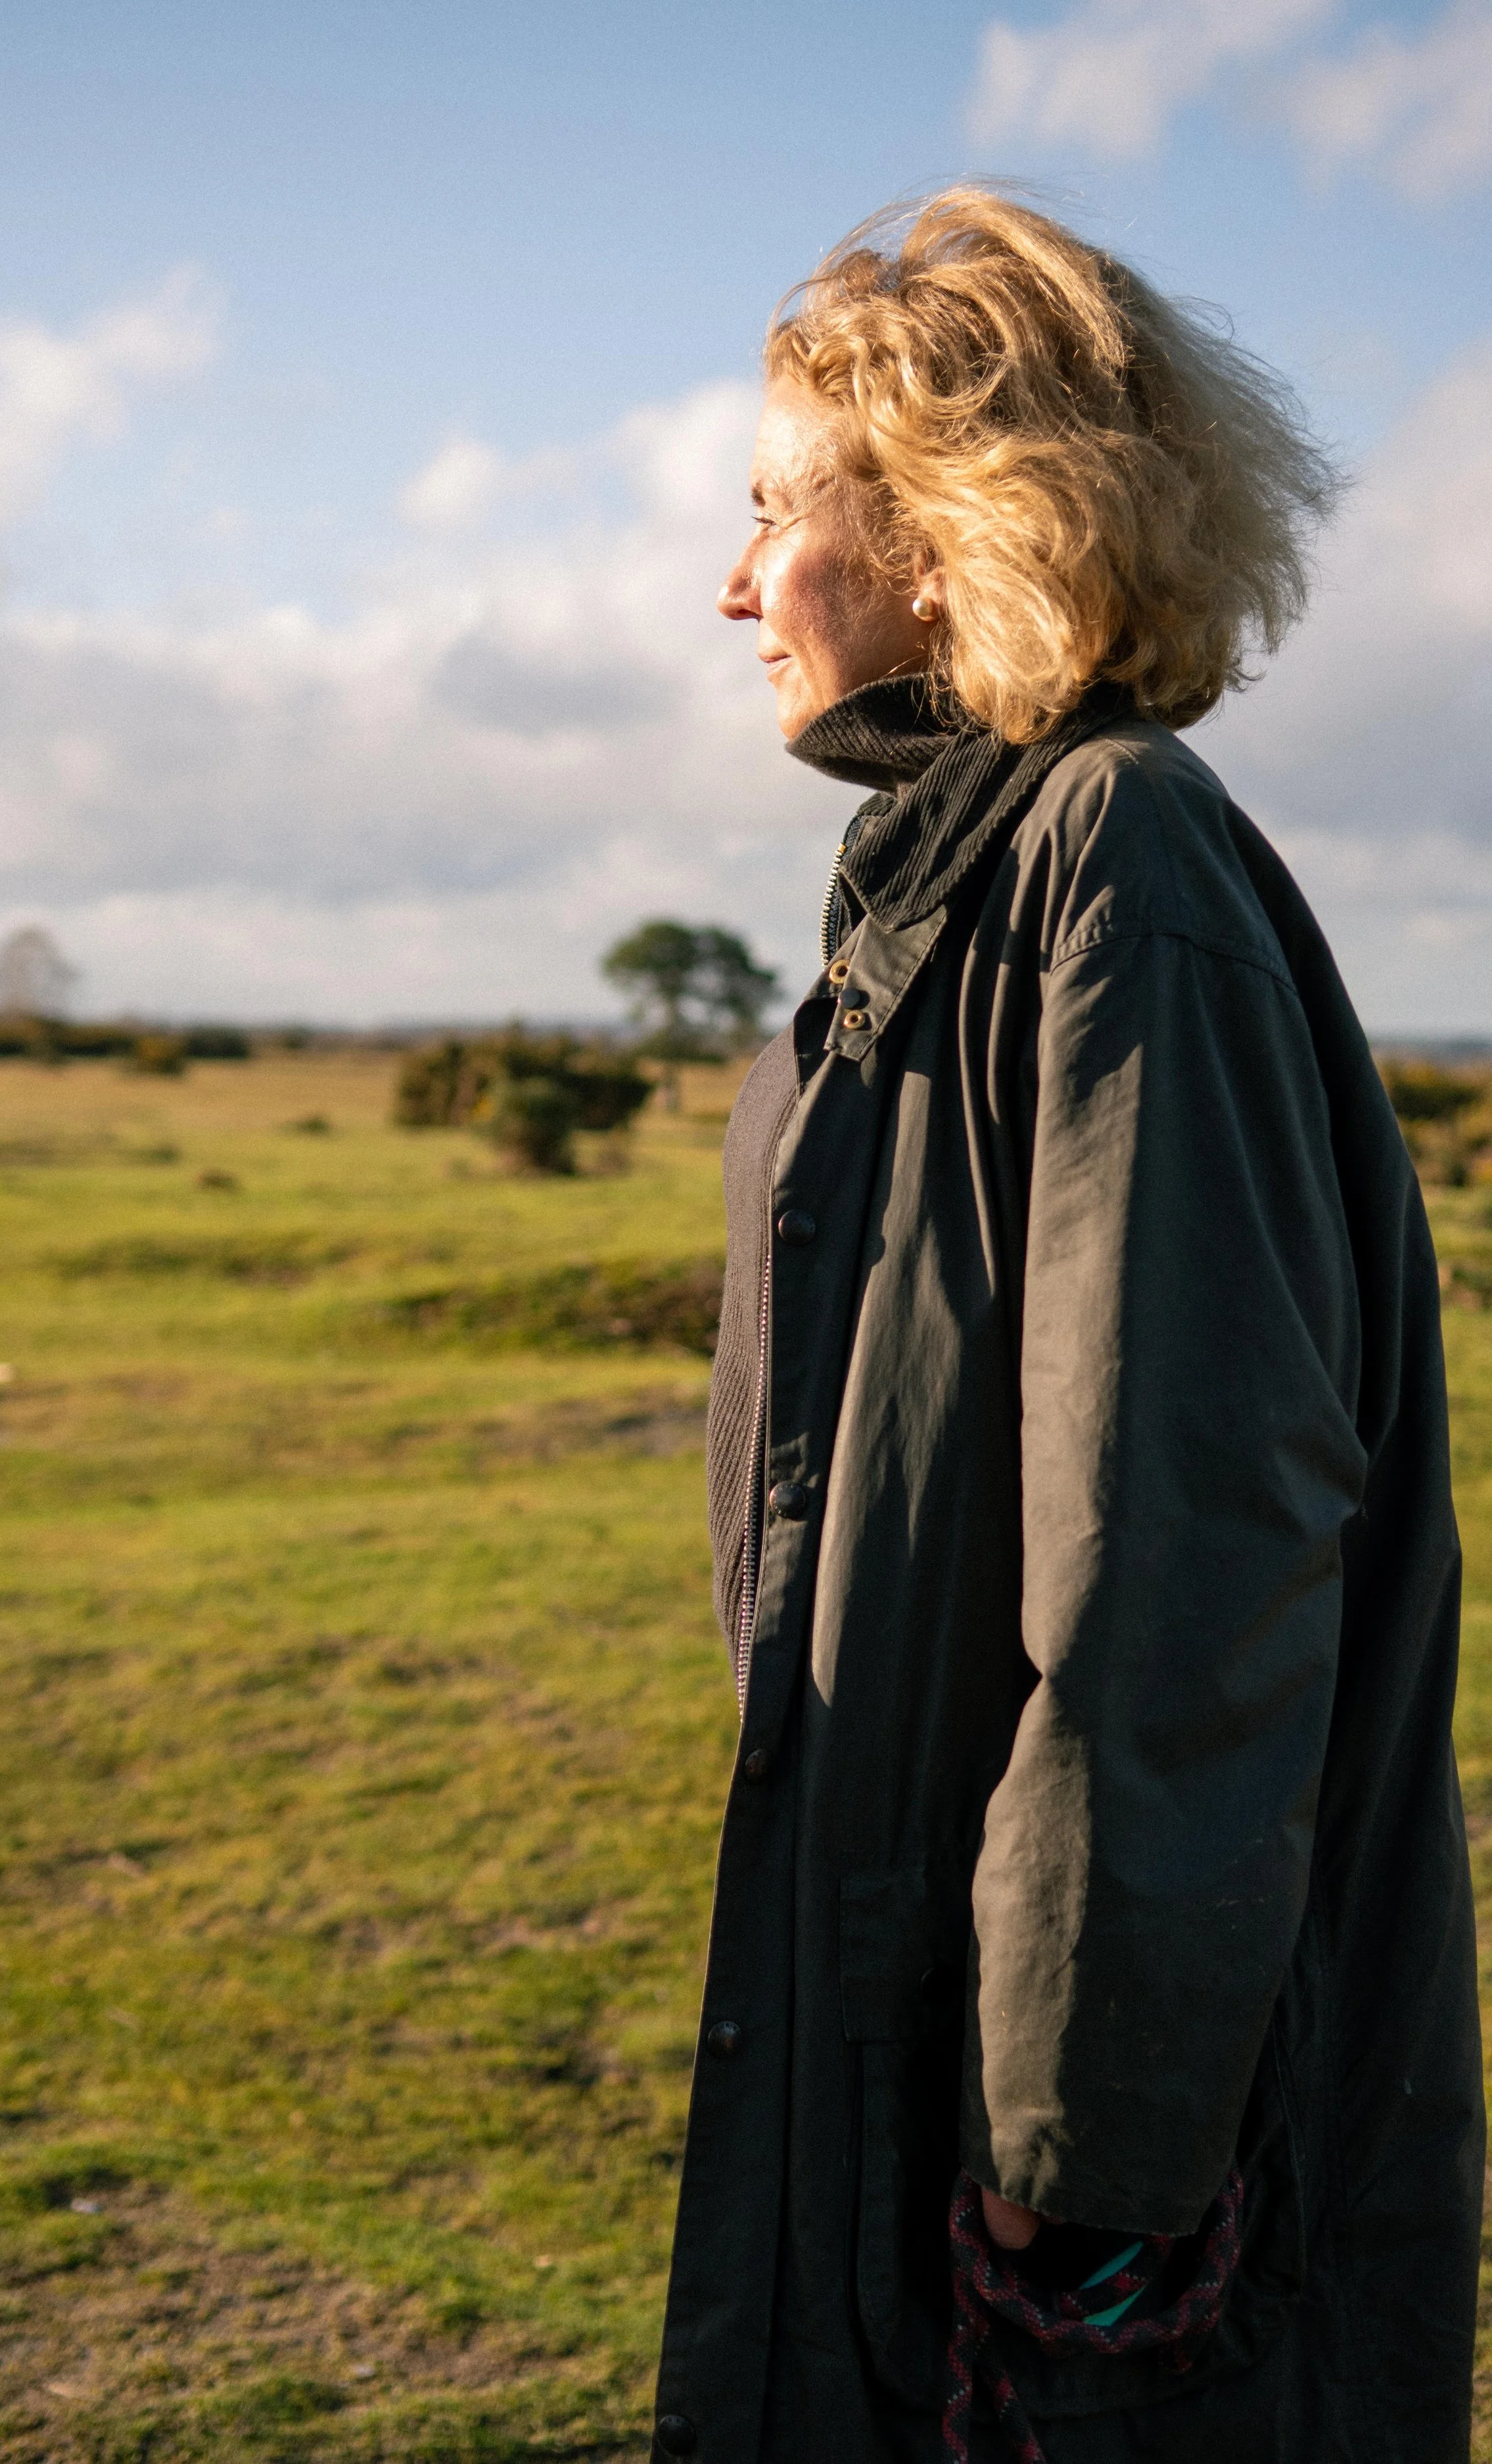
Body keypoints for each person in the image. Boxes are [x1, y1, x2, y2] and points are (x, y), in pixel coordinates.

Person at [649, 191, 1483, 2464]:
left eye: (767, 522)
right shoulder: (961, 862)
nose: (733, 591)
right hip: (909, 1988)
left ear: (935, 526)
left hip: (1077, 2132)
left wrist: (1081, 2173)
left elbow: (1181, 1571)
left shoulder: (1117, 862)